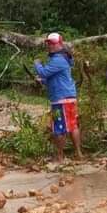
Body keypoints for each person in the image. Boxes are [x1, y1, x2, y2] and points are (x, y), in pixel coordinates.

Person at [34, 32, 82, 166]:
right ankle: (78, 153)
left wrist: (37, 64)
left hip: (60, 100)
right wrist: (43, 81)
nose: (50, 46)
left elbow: (43, 72)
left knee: (58, 128)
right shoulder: (64, 58)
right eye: (48, 43)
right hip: (69, 98)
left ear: (60, 44)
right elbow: (53, 78)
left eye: (53, 43)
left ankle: (59, 157)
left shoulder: (58, 60)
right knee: (73, 126)